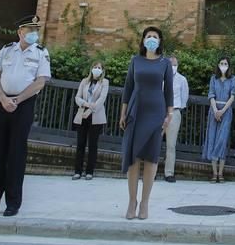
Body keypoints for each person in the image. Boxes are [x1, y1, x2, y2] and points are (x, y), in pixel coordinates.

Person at [0, 16, 51, 216]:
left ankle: (13, 203)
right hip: (2, 103)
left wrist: (16, 100)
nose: (34, 33)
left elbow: (40, 82)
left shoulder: (41, 53)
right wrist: (2, 98)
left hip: (23, 104)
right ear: (20, 32)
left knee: (17, 153)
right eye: (30, 30)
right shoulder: (7, 50)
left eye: (36, 29)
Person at [119, 26, 174, 220]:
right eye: (148, 36)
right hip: (136, 111)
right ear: (143, 40)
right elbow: (128, 88)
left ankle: (144, 203)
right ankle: (132, 201)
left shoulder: (165, 63)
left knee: (151, 158)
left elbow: (168, 91)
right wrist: (123, 113)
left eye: (155, 37)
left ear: (160, 41)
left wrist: (169, 115)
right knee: (134, 159)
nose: (151, 39)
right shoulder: (135, 61)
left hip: (156, 112)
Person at [72, 59, 108, 180]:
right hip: (82, 116)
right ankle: (77, 171)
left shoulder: (105, 83)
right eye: (95, 67)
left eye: (99, 68)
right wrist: (86, 105)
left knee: (93, 145)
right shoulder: (84, 81)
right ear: (91, 69)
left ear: (102, 71)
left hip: (96, 117)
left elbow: (101, 100)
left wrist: (90, 110)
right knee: (80, 144)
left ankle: (89, 172)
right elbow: (77, 97)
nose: (97, 69)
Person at [204, 56, 235, 182]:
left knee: (222, 140)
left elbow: (232, 96)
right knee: (212, 138)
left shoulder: (233, 79)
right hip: (214, 110)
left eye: (225, 63)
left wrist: (222, 111)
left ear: (229, 65)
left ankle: (221, 173)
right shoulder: (213, 79)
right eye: (221, 63)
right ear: (218, 65)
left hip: (226, 111)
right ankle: (214, 173)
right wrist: (215, 110)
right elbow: (211, 94)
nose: (223, 65)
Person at [163, 55, 188, 183]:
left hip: (175, 112)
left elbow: (184, 97)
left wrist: (175, 110)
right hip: (159, 112)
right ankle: (151, 171)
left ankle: (169, 173)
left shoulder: (182, 80)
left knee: (171, 144)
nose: (173, 66)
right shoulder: (160, 78)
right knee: (153, 142)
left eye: (175, 64)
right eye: (171, 64)